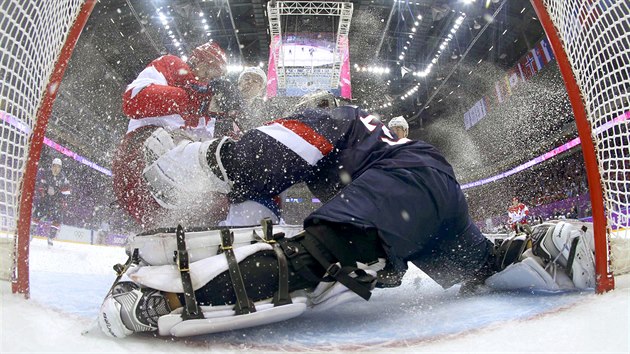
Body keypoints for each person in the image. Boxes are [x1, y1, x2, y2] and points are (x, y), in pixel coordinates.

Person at [98, 106, 597, 338]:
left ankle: (157, 302)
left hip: (401, 185)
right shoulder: (357, 144)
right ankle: (550, 251)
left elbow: (257, 155)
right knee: (479, 266)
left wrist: (187, 164)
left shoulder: (329, 118)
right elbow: (257, 203)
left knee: (320, 255)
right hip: (432, 194)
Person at [112, 40, 235, 229]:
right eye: (210, 70)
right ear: (198, 61)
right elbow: (132, 101)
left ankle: (175, 237)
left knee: (220, 186)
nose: (210, 77)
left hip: (166, 194)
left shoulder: (210, 106)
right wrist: (190, 98)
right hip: (138, 163)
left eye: (216, 75)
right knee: (170, 141)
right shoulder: (172, 65)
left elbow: (205, 149)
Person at [33, 157, 71, 247]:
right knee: (37, 213)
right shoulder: (46, 173)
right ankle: (31, 232)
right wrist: (43, 191)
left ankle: (50, 237)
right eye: (54, 166)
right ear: (52, 166)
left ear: (60, 168)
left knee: (58, 218)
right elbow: (41, 185)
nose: (56, 168)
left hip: (56, 201)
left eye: (58, 167)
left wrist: (61, 199)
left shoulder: (63, 179)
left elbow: (66, 194)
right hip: (46, 199)